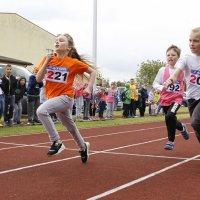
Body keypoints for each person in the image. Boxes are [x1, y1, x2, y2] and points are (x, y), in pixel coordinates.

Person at [36, 33, 96, 163]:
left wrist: (89, 87)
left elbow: (93, 72)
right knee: (70, 126)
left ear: (68, 48)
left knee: (41, 111)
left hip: (66, 97)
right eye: (56, 40)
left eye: (61, 41)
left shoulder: (73, 63)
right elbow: (38, 79)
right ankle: (83, 146)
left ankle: (56, 142)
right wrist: (47, 61)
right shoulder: (48, 59)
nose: (57, 42)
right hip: (54, 98)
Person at [166, 27, 200, 144]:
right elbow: (178, 71)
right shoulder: (186, 58)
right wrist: (172, 78)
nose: (191, 44)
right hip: (191, 98)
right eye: (190, 40)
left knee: (196, 121)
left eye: (196, 41)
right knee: (196, 127)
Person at [153, 45, 189, 150]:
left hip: (177, 98)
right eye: (168, 55)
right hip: (165, 99)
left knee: (169, 116)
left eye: (173, 55)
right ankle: (182, 127)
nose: (170, 57)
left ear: (178, 57)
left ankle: (171, 141)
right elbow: (155, 83)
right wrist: (162, 87)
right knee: (170, 118)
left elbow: (190, 81)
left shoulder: (183, 70)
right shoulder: (162, 70)